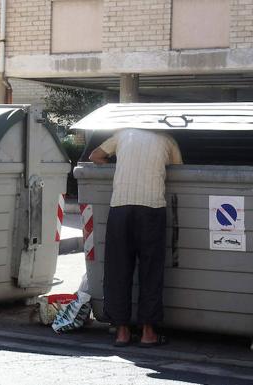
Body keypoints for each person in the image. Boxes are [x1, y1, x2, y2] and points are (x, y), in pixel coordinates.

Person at [89, 128, 182, 347]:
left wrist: (116, 166)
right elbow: (179, 170)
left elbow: (94, 156)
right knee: (150, 269)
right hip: (152, 207)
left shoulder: (123, 135)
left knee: (118, 269)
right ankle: (148, 333)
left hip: (120, 207)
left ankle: (122, 332)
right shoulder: (168, 139)